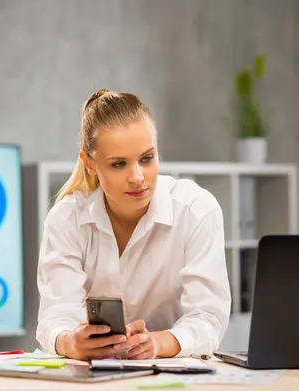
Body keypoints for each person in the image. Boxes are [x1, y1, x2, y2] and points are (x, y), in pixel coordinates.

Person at [36, 88, 231, 361]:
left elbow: (209, 318)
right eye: (119, 164)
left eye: (147, 158)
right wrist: (70, 342)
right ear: (89, 164)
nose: (137, 177)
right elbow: (54, 316)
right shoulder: (66, 218)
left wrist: (159, 343)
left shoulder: (196, 210)